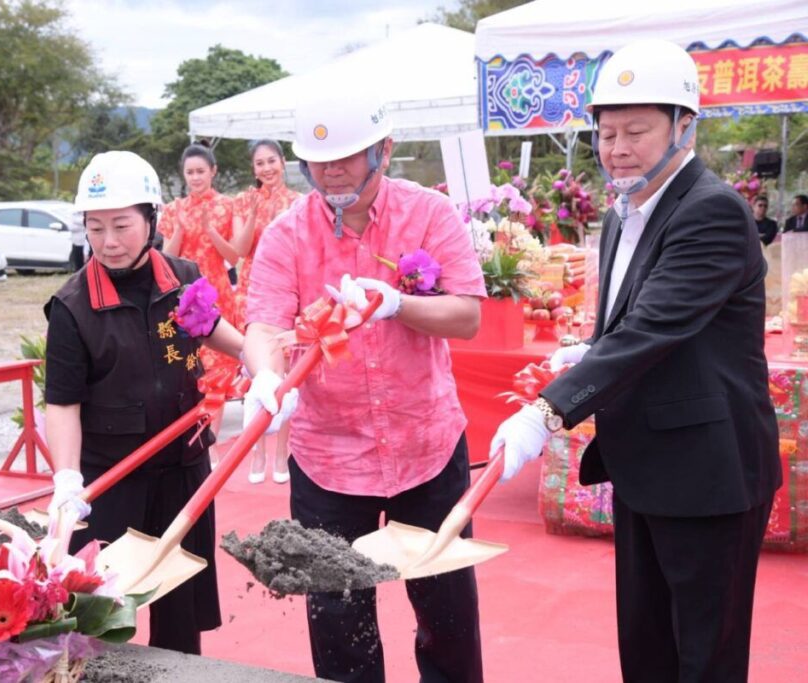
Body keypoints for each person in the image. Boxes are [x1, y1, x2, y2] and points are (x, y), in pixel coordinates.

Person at [490, 39, 781, 682]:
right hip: (647, 462)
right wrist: (591, 346)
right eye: (606, 131)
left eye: (636, 131)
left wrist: (548, 410)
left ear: (685, 125)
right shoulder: (626, 212)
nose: (616, 148)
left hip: (710, 470)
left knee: (703, 656)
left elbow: (654, 326)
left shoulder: (712, 212)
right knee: (645, 648)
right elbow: (631, 320)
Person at [243, 86, 488, 683]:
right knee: (338, 621)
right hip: (328, 457)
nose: (331, 173)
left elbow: (468, 314)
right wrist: (267, 375)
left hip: (426, 448)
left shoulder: (428, 212)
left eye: (348, 157)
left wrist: (399, 303)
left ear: (385, 148)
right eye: (318, 162)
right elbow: (265, 324)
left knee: (446, 612)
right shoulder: (286, 234)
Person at [43, 151, 244, 655]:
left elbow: (214, 330)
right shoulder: (71, 307)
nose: (108, 242)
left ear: (151, 219)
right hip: (113, 482)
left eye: (121, 225)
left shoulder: (182, 276)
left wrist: (262, 366)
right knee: (104, 617)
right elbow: (63, 403)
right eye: (95, 228)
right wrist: (67, 479)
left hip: (183, 470)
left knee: (181, 613)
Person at [231, 139, 302, 484]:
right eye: (259, 163)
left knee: (284, 371)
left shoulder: (298, 202)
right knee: (256, 372)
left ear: (283, 162)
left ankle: (281, 452)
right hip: (253, 292)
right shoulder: (245, 201)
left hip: (289, 293)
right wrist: (256, 214)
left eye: (271, 161)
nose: (266, 169)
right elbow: (238, 251)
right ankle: (256, 448)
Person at [158, 144, 238, 372]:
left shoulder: (227, 206)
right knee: (189, 361)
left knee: (221, 361)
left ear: (213, 171)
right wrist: (180, 230)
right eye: (189, 172)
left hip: (217, 291)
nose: (195, 177)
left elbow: (234, 256)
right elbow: (166, 258)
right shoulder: (175, 209)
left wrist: (211, 231)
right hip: (183, 293)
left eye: (200, 171)